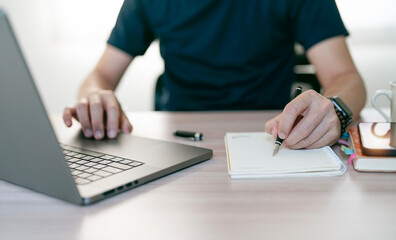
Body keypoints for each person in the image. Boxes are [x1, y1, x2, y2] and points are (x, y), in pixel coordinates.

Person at [63, 0, 366, 149]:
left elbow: (346, 77)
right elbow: (101, 75)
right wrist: (94, 97)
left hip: (268, 140)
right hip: (180, 146)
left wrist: (335, 109)